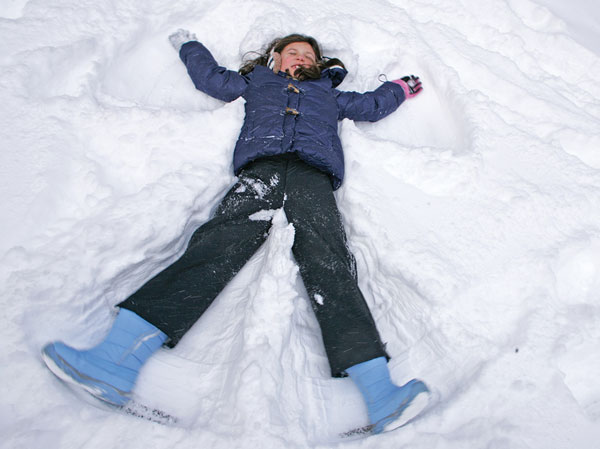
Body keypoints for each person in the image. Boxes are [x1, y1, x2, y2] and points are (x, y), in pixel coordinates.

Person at [42, 30, 429, 434]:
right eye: (291, 52)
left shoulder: (329, 95)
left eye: (307, 55)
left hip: (311, 177)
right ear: (274, 60)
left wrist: (400, 88)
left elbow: (370, 105)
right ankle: (113, 361)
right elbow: (210, 78)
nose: (299, 58)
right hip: (260, 171)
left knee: (328, 262)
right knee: (215, 245)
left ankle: (381, 394)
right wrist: (190, 47)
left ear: (318, 64)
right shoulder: (256, 83)